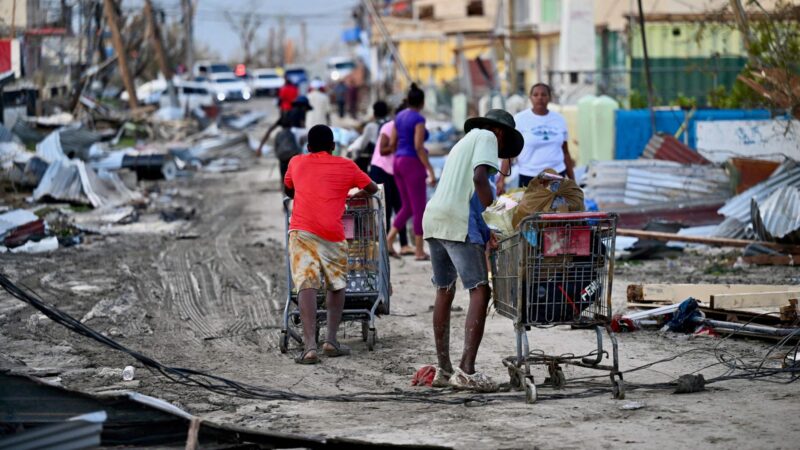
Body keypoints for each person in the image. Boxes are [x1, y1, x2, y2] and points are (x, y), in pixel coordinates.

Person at [422, 109, 523, 391]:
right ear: (501, 132)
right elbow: (480, 180)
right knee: (481, 290)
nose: (500, 152)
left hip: (434, 218)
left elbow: (469, 188)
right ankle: (466, 370)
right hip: (457, 223)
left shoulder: (463, 142)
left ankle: (444, 369)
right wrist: (494, 220)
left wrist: (484, 223)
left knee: (444, 289)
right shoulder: (489, 137)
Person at [284, 125, 379, 364]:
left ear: (308, 147)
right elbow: (373, 188)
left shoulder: (296, 162)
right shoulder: (347, 165)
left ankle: (309, 347)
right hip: (332, 233)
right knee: (336, 284)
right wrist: (351, 193)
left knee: (306, 282)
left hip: (302, 230)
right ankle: (331, 341)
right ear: (333, 147)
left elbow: (289, 189)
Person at [386, 84, 436, 260]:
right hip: (412, 163)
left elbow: (392, 143)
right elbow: (418, 146)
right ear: (422, 102)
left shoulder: (399, 116)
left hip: (398, 161)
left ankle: (388, 240)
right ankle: (419, 250)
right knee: (419, 208)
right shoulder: (418, 120)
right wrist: (430, 170)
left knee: (407, 206)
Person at [497, 83, 575, 193]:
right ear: (530, 97)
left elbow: (565, 152)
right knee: (530, 209)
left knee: (556, 209)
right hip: (529, 177)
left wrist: (573, 181)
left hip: (556, 176)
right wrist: (501, 180)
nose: (540, 98)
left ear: (549, 97)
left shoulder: (559, 119)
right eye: (536, 95)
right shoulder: (520, 119)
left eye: (544, 95)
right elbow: (511, 153)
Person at [368, 102, 410, 256]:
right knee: (385, 206)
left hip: (396, 171)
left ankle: (404, 243)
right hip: (381, 169)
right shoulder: (389, 127)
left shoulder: (408, 129)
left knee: (401, 205)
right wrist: (395, 144)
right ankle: (384, 245)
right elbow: (383, 149)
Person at [353, 100, 389, 172]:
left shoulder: (370, 126)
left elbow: (362, 145)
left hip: (375, 159)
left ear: (374, 113)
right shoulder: (391, 124)